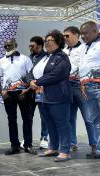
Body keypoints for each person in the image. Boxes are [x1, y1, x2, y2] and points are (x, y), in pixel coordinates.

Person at [31, 30, 72, 162]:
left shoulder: (62, 57)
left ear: (58, 42)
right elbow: (31, 72)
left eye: (50, 41)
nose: (47, 43)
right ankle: (53, 147)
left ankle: (65, 150)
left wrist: (37, 81)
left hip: (58, 97)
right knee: (49, 123)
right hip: (42, 97)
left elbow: (56, 74)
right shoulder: (44, 57)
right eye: (46, 41)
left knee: (62, 124)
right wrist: (30, 80)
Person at [0, 38, 36, 155]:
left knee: (27, 119)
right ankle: (15, 146)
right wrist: (1, 91)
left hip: (23, 93)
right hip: (8, 94)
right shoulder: (1, 61)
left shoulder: (25, 59)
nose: (7, 47)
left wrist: (27, 90)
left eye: (10, 45)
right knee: (11, 120)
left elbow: (31, 75)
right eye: (6, 46)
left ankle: (28, 145)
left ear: (15, 45)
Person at [63, 26, 97, 154]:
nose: (65, 38)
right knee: (70, 118)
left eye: (67, 36)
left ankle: (94, 144)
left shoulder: (84, 49)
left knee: (89, 118)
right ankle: (72, 143)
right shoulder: (63, 51)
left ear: (76, 35)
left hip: (81, 88)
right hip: (67, 89)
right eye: (64, 36)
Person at [79, 21, 100, 158]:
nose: (83, 36)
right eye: (81, 34)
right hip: (86, 88)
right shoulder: (83, 47)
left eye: (85, 33)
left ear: (95, 31)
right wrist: (82, 84)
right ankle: (99, 149)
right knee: (95, 120)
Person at [28, 36, 49, 149]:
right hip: (30, 91)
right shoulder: (28, 58)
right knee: (28, 115)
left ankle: (44, 137)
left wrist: (39, 82)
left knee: (44, 115)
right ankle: (28, 139)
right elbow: (27, 73)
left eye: (33, 45)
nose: (30, 48)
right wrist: (30, 81)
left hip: (42, 90)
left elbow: (48, 73)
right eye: (29, 46)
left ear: (40, 46)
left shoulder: (47, 57)